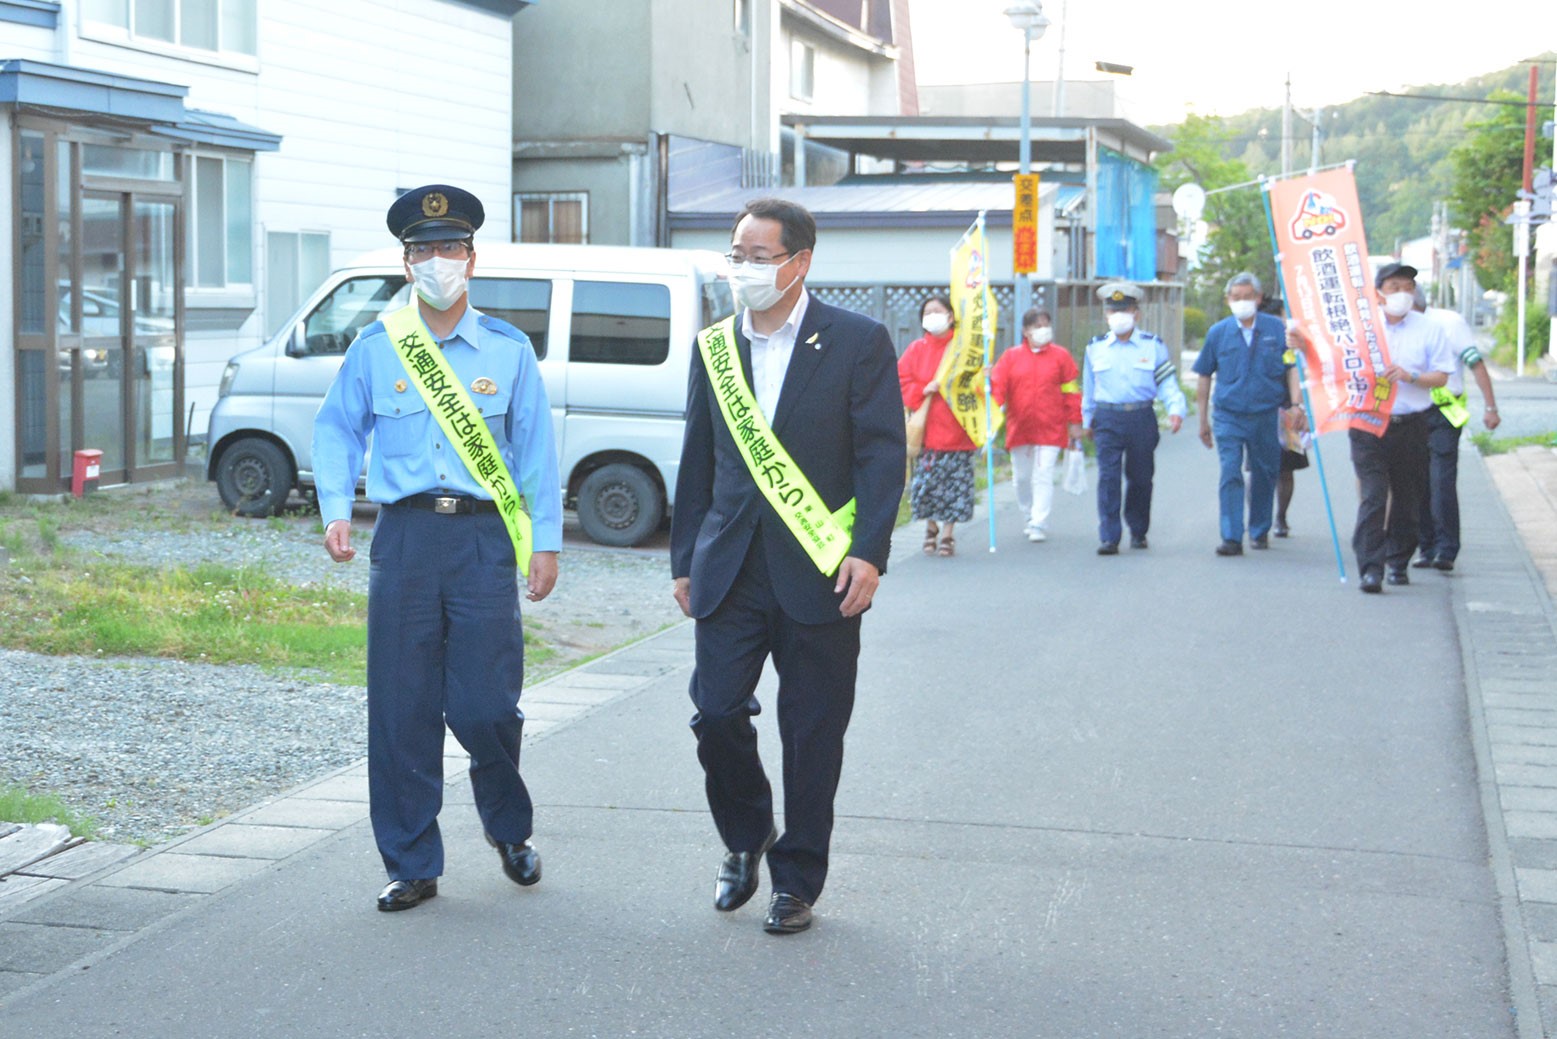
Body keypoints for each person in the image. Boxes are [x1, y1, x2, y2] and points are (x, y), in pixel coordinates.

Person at [311, 184, 562, 911]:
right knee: (401, 706)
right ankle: (411, 859)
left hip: (484, 539)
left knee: (487, 704)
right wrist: (335, 507)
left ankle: (507, 827)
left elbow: (535, 453)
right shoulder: (377, 345)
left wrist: (542, 542)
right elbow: (336, 429)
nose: (436, 261)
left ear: (471, 259)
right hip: (407, 537)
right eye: (422, 250)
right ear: (405, 261)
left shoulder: (509, 350)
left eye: (449, 248)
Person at [671, 198, 905, 935]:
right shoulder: (714, 347)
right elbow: (698, 460)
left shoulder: (856, 341)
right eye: (735, 254)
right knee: (714, 713)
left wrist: (868, 551)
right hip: (730, 567)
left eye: (757, 256)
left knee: (811, 731)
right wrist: (684, 559)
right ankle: (746, 837)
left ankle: (796, 879)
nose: (742, 268)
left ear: (799, 262)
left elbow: (880, 453)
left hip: (821, 569)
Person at [1287, 262, 1455, 594]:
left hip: (1412, 424)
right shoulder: (1360, 329)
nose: (1402, 294)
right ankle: (1370, 567)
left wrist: (1411, 376)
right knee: (1374, 495)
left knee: (1407, 499)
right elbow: (1329, 361)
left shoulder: (1429, 329)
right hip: (1367, 422)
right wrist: (1302, 344)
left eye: (1408, 287)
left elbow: (1442, 376)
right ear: (1378, 293)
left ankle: (1398, 562)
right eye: (1394, 287)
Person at [1193, 273, 1305, 556]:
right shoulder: (1218, 333)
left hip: (1266, 414)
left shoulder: (1278, 330)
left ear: (1258, 298)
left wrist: (1296, 405)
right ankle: (1231, 536)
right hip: (1228, 415)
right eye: (1236, 297)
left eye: (1247, 296)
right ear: (1228, 300)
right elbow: (1204, 375)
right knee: (1230, 471)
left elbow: (1293, 368)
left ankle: (1259, 529)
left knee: (1264, 473)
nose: (1242, 302)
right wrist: (1202, 419)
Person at [1079, 281, 1186, 554]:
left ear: (1136, 313)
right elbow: (1089, 388)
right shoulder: (1096, 348)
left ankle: (1138, 530)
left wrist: (1175, 408)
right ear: (1106, 315)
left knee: (1140, 478)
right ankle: (1109, 536)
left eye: (1124, 310)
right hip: (1107, 418)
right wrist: (1086, 421)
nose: (1119, 316)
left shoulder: (1152, 346)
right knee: (1108, 478)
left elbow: (1167, 382)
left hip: (1141, 416)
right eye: (1113, 311)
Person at [1411, 286, 1502, 571]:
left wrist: (1490, 407)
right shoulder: (1393, 327)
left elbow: (1476, 364)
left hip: (1445, 411)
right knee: (1417, 482)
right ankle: (1425, 547)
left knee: (1441, 481)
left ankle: (1446, 549)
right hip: (1410, 414)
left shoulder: (1450, 323)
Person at [991, 306, 1082, 542]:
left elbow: (1071, 391)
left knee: (1043, 475)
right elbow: (998, 388)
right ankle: (1028, 512)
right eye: (1036, 326)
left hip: (1051, 427)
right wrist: (991, 413)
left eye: (1045, 325)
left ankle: (1039, 521)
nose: (1042, 330)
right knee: (1022, 477)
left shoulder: (1061, 356)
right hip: (1019, 428)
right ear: (1025, 330)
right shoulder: (1011, 357)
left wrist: (1075, 422)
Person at [898, 294, 978, 556]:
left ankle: (948, 533)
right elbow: (901, 380)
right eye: (927, 312)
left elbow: (976, 385)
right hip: (927, 432)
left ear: (951, 316)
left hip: (959, 430)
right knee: (927, 486)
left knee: (956, 487)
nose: (932, 316)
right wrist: (923, 390)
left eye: (938, 311)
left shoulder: (963, 350)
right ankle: (930, 526)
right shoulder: (916, 350)